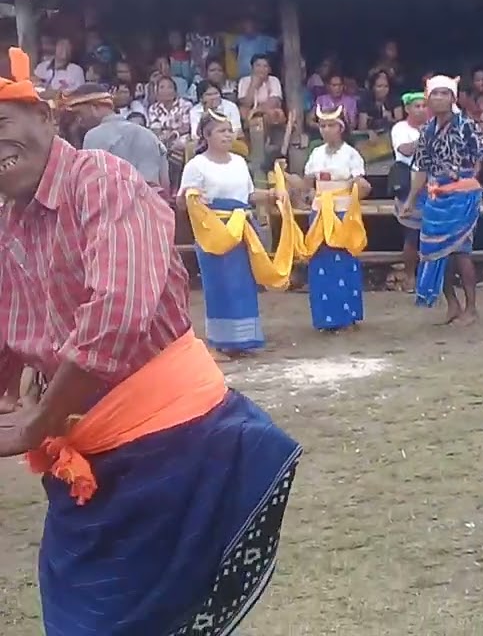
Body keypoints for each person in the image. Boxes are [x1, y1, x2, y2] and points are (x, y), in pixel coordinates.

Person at [0, 46, 301, 635]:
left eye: (0, 123)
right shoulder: (9, 223)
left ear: (47, 118)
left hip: (173, 447)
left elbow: (116, 313)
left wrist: (37, 423)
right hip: (88, 458)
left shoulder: (102, 182)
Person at [179, 112, 297, 356]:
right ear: (206, 134)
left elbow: (248, 196)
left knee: (242, 283)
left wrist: (274, 194)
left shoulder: (239, 162)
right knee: (219, 285)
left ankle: (245, 338)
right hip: (213, 230)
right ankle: (222, 341)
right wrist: (190, 196)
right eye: (221, 130)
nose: (228, 135)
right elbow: (182, 201)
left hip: (241, 226)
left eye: (229, 130)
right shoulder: (196, 165)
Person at [401, 76, 483, 325]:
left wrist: (472, 182)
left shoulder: (465, 126)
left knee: (461, 251)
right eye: (435, 94)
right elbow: (421, 167)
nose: (439, 98)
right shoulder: (427, 130)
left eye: (444, 93)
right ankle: (452, 304)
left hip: (462, 194)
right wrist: (410, 199)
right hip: (436, 194)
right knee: (435, 251)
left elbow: (482, 158)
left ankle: (471, 308)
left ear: (453, 98)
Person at [303, 105, 370, 332]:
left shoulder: (351, 154)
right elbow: (307, 183)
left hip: (343, 212)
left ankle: (347, 315)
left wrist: (356, 187)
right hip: (320, 210)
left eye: (331, 125)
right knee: (320, 262)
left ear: (341, 128)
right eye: (322, 126)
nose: (326, 130)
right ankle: (325, 318)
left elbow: (360, 184)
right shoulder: (315, 153)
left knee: (343, 262)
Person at [66, 84, 169, 192]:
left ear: (95, 108)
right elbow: (165, 186)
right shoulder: (150, 135)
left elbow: (92, 189)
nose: (79, 120)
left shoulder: (93, 136)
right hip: (153, 205)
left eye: (79, 114)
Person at [391, 92, 429, 284]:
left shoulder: (435, 127)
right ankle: (410, 276)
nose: (421, 109)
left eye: (424, 106)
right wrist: (426, 137)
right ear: (407, 109)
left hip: (432, 185)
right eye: (417, 106)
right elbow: (404, 149)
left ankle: (429, 278)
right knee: (412, 235)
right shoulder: (400, 128)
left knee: (432, 234)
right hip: (409, 185)